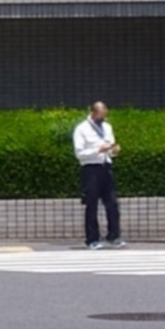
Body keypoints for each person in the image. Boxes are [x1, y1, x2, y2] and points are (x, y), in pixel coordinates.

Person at [73, 101, 123, 249]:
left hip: (106, 166)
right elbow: (79, 153)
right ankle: (92, 239)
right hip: (90, 168)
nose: (103, 118)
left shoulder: (107, 127)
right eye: (100, 115)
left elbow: (110, 148)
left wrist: (113, 150)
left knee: (112, 202)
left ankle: (113, 235)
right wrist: (98, 150)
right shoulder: (81, 129)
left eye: (104, 115)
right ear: (93, 113)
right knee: (92, 204)